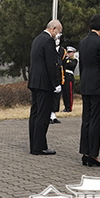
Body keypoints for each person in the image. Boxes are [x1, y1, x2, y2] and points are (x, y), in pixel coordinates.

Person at [78, 15, 100, 168]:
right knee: (96, 121)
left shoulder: (83, 42)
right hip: (98, 85)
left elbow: (83, 65)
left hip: (86, 83)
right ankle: (93, 155)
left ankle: (85, 152)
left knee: (86, 119)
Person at [28, 20, 63, 155]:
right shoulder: (48, 41)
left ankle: (34, 144)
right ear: (53, 29)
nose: (58, 35)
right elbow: (51, 64)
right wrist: (55, 83)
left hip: (35, 81)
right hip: (44, 83)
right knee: (43, 115)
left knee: (35, 114)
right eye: (58, 32)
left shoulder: (37, 39)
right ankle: (39, 147)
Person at [61, 46, 78, 113]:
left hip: (69, 77)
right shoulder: (65, 60)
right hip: (64, 78)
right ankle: (66, 106)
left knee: (69, 93)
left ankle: (69, 107)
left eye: (70, 52)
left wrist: (66, 60)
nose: (69, 53)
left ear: (73, 53)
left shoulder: (74, 60)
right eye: (68, 52)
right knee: (65, 93)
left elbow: (71, 65)